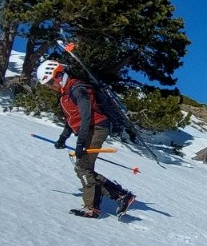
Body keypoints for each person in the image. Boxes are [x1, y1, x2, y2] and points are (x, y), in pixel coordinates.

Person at [39, 59, 136, 218]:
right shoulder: (65, 94)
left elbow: (86, 116)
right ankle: (121, 196)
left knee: (83, 167)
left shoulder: (78, 89)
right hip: (89, 130)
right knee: (84, 168)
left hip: (97, 128)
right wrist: (62, 138)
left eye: (50, 83)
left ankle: (93, 207)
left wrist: (80, 143)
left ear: (57, 75)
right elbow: (73, 119)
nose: (51, 87)